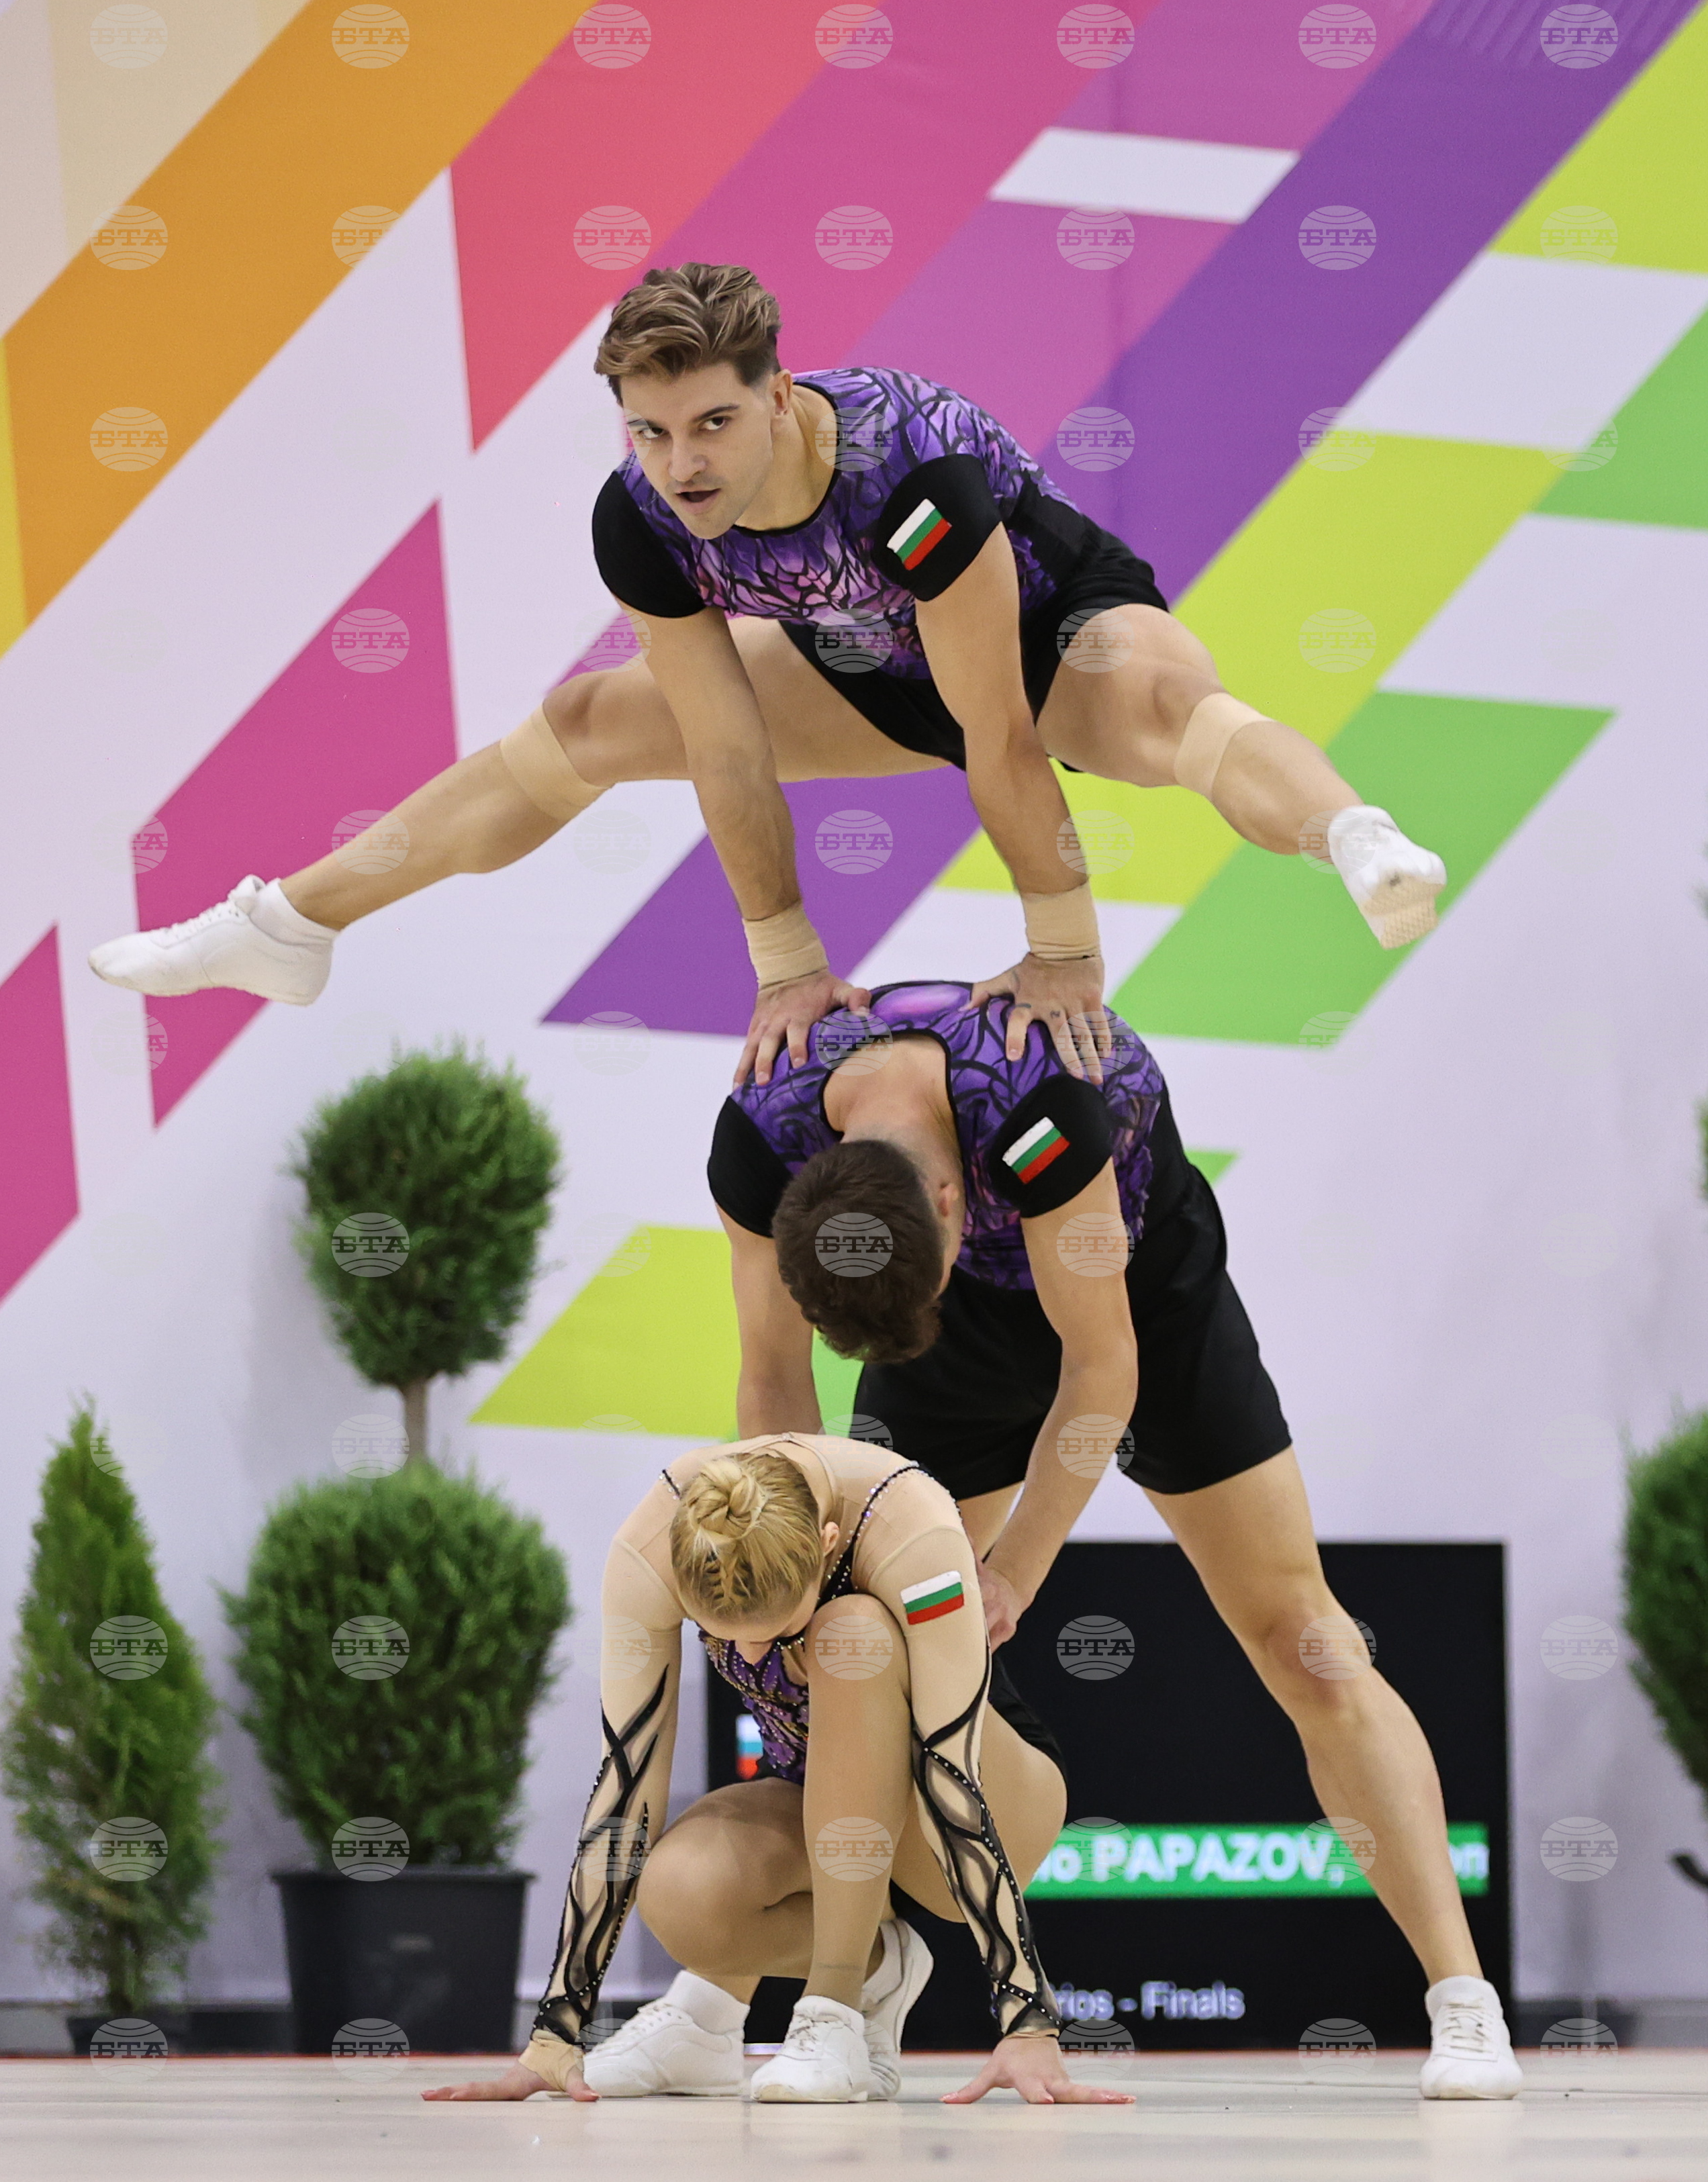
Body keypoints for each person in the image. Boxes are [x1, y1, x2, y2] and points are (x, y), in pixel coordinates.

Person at [90, 263, 1445, 1086]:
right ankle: (290, 928)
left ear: (782, 392)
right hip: (857, 654)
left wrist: (1064, 954)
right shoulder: (643, 514)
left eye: (715, 422)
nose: (685, 463)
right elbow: (727, 753)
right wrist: (788, 965)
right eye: (653, 429)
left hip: (1032, 635)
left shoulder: (906, 467)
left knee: (1163, 704)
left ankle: (1356, 835)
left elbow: (993, 733)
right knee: (587, 724)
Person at [704, 979, 1523, 2100]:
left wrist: (1012, 1575)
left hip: (1141, 1306)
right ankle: (799, 1999)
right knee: (855, 1640)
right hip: (951, 1338)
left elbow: (1100, 1372)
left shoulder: (1037, 1097)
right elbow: (770, 1372)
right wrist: (797, 1558)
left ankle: (1461, 2002)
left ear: (954, 1198)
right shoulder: (766, 1123)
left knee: (1306, 1644)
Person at [423, 1438, 1132, 2107]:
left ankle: (831, 2012)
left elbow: (954, 1771)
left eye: (771, 1626)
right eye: (724, 1634)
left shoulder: (911, 1527)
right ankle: (720, 2016)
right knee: (682, 1890)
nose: (750, 1648)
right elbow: (626, 1786)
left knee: (852, 1633)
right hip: (814, 1793)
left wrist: (1028, 2021)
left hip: (974, 1802)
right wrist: (554, 2033)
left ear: (827, 1548)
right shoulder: (651, 1547)